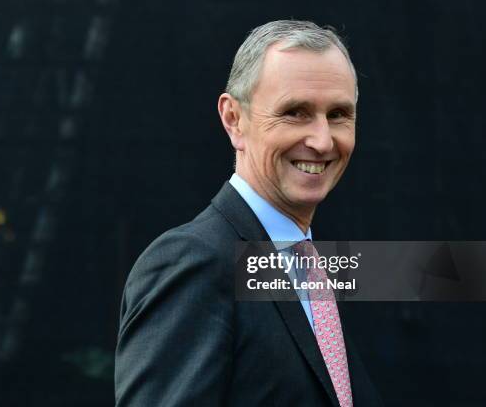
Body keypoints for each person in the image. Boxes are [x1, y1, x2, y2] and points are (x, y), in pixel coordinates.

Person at [115, 20, 382, 406]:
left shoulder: (310, 269)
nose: (323, 141)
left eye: (339, 114)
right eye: (295, 112)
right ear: (234, 120)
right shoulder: (195, 263)